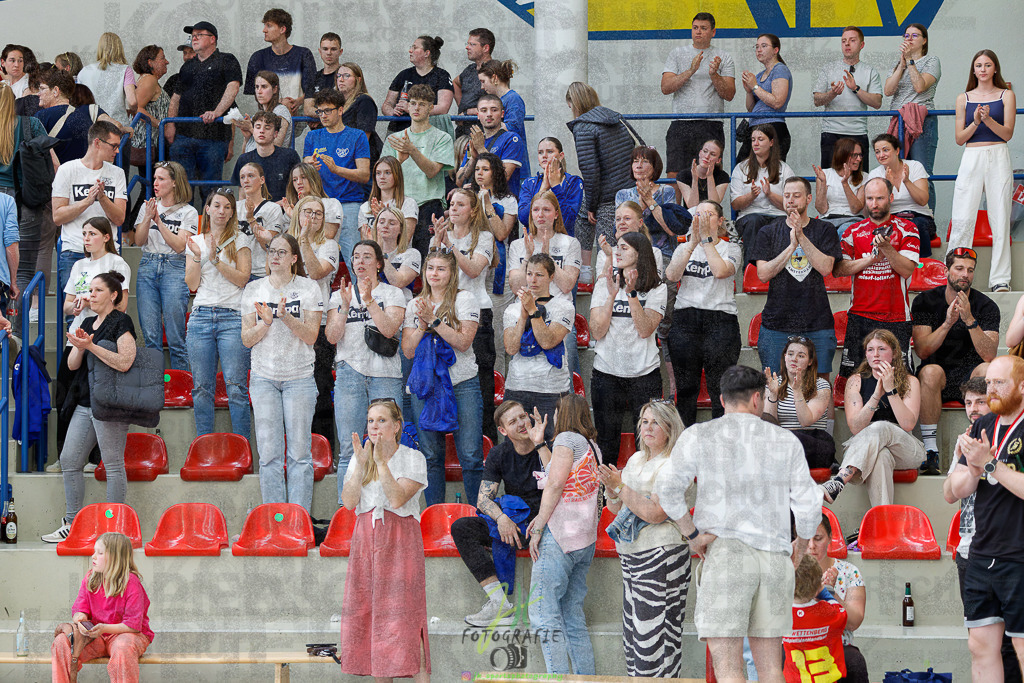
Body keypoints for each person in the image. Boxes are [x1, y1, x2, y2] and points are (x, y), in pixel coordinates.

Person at [655, 364, 823, 683]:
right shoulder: (785, 441)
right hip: (775, 556)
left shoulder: (700, 435)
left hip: (727, 553)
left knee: (729, 668)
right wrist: (800, 548)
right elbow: (809, 503)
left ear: (721, 399)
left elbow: (667, 489)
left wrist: (691, 534)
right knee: (772, 668)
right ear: (758, 399)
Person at [339, 398, 430, 683]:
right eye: (370, 421)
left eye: (381, 420)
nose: (374, 426)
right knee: (373, 614)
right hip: (366, 537)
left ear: (396, 426)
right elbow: (349, 502)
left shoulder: (414, 458)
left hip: (401, 537)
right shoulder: (360, 456)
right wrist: (362, 466)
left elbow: (397, 498)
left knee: (407, 616)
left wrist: (380, 463)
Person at [596, 400, 689, 678]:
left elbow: (656, 513)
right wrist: (611, 489)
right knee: (634, 638)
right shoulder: (636, 459)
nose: (648, 428)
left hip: (662, 555)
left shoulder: (674, 465)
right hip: (632, 555)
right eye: (644, 421)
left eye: (655, 422)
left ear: (670, 428)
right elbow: (615, 508)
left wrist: (621, 487)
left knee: (657, 642)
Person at [42, 272, 137, 543]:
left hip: (110, 403)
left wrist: (92, 346)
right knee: (71, 460)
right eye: (90, 290)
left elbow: (125, 361)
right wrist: (81, 347)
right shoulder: (86, 321)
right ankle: (72, 523)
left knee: (113, 465)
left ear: (113, 295)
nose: (90, 295)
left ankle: (115, 529)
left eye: (97, 290)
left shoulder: (122, 321)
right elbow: (72, 365)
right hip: (85, 401)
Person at [949, 355, 1024, 683]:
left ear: (1022, 386)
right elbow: (956, 489)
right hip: (983, 551)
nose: (991, 389)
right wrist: (974, 468)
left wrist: (991, 465)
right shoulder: (982, 425)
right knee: (980, 645)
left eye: (1000, 382)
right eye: (988, 382)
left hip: (1020, 554)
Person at [242, 233, 323, 512]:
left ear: (293, 258)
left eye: (281, 252)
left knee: (300, 453)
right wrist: (265, 324)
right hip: (263, 377)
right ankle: (275, 520)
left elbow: (312, 336)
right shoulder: (253, 290)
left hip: (299, 377)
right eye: (271, 251)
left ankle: (298, 520)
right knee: (268, 454)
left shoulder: (310, 288)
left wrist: (286, 317)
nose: (274, 256)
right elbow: (246, 339)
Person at [453, 400, 547, 627]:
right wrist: (502, 518)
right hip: (515, 522)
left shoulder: (547, 446)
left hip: (546, 522)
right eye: (513, 422)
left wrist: (541, 444)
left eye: (523, 417)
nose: (522, 424)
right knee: (462, 527)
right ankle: (498, 601)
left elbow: (559, 487)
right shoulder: (499, 454)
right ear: (503, 431)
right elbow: (483, 499)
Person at [526, 393, 600, 675]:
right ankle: (586, 679)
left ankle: (557, 678)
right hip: (584, 539)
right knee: (572, 616)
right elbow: (559, 473)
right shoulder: (590, 446)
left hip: (560, 537)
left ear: (564, 414)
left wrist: (539, 525)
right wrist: (540, 444)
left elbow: (555, 484)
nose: (554, 418)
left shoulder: (566, 439)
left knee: (543, 614)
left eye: (556, 413)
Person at [402, 248, 482, 506]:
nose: (434, 273)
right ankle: (434, 517)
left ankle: (477, 518)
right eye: (430, 268)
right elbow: (408, 349)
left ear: (452, 273)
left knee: (470, 454)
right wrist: (422, 326)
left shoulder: (465, 299)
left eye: (441, 268)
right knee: (430, 455)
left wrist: (434, 321)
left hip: (462, 383)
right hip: (426, 387)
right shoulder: (415, 303)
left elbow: (463, 342)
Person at [327, 238, 406, 491]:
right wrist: (345, 306)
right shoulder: (339, 295)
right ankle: (346, 514)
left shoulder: (393, 294)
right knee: (349, 448)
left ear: (379, 264)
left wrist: (370, 300)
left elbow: (389, 329)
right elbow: (331, 337)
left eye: (367, 257)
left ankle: (388, 508)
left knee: (387, 447)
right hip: (349, 372)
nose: (360, 261)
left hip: (385, 375)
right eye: (356, 256)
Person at [912, 248, 999, 473]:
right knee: (930, 371)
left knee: (989, 369)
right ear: (946, 270)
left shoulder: (986, 306)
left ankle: (983, 440)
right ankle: (931, 451)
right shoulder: (926, 301)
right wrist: (948, 323)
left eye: (970, 270)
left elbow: (989, 354)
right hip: (937, 376)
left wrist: (969, 319)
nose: (965, 275)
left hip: (971, 376)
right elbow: (922, 350)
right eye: (959, 268)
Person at [820, 330, 923, 507]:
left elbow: (907, 424)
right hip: (867, 450)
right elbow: (855, 428)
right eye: (870, 349)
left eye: (881, 349)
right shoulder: (855, 381)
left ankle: (840, 479)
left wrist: (890, 390)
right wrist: (876, 395)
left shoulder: (910, 381)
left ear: (895, 353)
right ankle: (883, 522)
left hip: (905, 449)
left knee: (881, 426)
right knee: (881, 456)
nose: (875, 354)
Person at [751, 177, 840, 376]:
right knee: (774, 384)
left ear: (809, 198)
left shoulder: (825, 229)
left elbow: (826, 268)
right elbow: (763, 274)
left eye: (796, 196)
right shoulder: (768, 231)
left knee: (821, 385)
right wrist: (791, 247)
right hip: (776, 324)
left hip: (817, 322)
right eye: (787, 196)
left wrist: (801, 236)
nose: (790, 200)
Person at [590, 232, 666, 465]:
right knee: (606, 442)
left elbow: (645, 330)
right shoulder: (605, 284)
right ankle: (605, 498)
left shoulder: (657, 288)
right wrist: (612, 296)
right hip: (606, 372)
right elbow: (596, 331)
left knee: (647, 443)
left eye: (624, 248)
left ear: (639, 253)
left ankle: (643, 498)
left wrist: (632, 295)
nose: (617, 252)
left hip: (644, 374)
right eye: (617, 248)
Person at [835, 176, 920, 378]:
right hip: (860, 316)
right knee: (854, 378)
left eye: (880, 198)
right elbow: (839, 270)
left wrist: (887, 249)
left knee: (901, 380)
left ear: (891, 197)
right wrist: (872, 260)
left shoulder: (908, 228)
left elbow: (907, 269)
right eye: (870, 198)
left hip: (896, 316)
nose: (874, 204)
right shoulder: (852, 231)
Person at [185, 189, 252, 439]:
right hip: (201, 317)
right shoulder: (196, 241)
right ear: (208, 209)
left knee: (236, 388)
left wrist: (214, 260)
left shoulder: (241, 240)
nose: (221, 211)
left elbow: (243, 279)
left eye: (227, 207)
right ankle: (203, 445)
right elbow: (191, 284)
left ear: (233, 212)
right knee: (201, 388)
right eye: (217, 206)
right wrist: (196, 256)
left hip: (232, 318)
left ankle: (242, 447)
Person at [666, 201, 740, 425]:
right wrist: (692, 244)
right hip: (686, 319)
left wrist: (707, 241)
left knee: (721, 389)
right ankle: (684, 443)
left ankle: (721, 444)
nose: (701, 219)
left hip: (721, 319)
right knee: (686, 388)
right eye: (697, 215)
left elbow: (720, 271)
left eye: (707, 215)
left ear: (719, 222)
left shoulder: (732, 248)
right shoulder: (684, 248)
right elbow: (672, 275)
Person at [431, 189, 497, 440]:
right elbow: (432, 277)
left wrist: (450, 247)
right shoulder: (440, 237)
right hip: (444, 314)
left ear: (473, 210)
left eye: (461, 204)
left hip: (477, 313)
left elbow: (471, 270)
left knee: (481, 381)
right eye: (452, 204)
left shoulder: (484, 237)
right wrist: (438, 244)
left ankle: (485, 442)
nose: (454, 208)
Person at [949, 49, 1016, 293]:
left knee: (1000, 218)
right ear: (973, 69)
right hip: (972, 155)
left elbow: (1007, 133)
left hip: (998, 154)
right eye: (979, 65)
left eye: (988, 65)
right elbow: (959, 138)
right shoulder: (963, 98)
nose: (983, 69)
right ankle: (956, 275)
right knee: (963, 217)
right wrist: (976, 121)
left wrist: (988, 120)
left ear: (995, 68)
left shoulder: (1006, 95)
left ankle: (1000, 279)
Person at [49, 532, 154, 682]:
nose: (93, 556)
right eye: (94, 552)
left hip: (127, 635)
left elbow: (133, 626)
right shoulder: (90, 578)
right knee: (61, 641)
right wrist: (80, 620)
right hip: (96, 636)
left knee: (123, 646)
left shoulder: (131, 583)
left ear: (115, 558)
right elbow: (80, 609)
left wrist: (104, 628)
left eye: (99, 553)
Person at [51, 121, 128, 312]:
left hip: (107, 253)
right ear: (97, 143)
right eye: (114, 146)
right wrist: (87, 201)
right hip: (74, 252)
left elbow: (119, 219)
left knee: (110, 311)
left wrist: (102, 198)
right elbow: (57, 216)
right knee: (75, 312)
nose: (117, 151)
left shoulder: (117, 173)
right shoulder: (67, 170)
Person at [565, 81, 634, 285]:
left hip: (607, 194)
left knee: (606, 244)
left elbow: (590, 171)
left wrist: (592, 206)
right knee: (584, 219)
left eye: (570, 105)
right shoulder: (615, 120)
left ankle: (599, 281)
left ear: (575, 104)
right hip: (627, 189)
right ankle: (587, 272)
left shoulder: (584, 127)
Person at [166, 22, 242, 200]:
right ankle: (186, 226)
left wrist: (216, 112)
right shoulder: (187, 66)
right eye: (193, 35)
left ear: (212, 39)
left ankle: (212, 226)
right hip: (184, 136)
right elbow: (176, 97)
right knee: (182, 188)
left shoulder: (227, 60)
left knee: (211, 189)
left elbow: (233, 88)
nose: (194, 37)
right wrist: (170, 124)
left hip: (213, 138)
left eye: (199, 34)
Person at [507, 192, 582, 372]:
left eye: (546, 210)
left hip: (558, 316)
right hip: (524, 315)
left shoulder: (570, 243)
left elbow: (567, 285)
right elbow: (516, 287)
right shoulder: (519, 245)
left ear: (556, 214)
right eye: (536, 210)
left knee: (564, 374)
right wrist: (527, 255)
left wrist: (548, 257)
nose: (540, 215)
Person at [132, 162, 196, 371]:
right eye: (155, 178)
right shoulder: (147, 206)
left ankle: (183, 387)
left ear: (175, 182)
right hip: (148, 265)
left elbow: (180, 246)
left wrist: (159, 222)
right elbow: (139, 240)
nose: (155, 183)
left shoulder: (189, 212)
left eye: (161, 179)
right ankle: (154, 386)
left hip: (175, 268)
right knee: (151, 335)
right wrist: (148, 218)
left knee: (176, 335)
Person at [288, 195, 340, 446]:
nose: (312, 216)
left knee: (320, 388)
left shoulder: (329, 245)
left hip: (318, 326)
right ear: (298, 214)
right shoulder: (284, 243)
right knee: (293, 389)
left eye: (318, 213)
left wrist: (305, 241)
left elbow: (317, 271)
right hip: (288, 324)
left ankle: (324, 449)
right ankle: (296, 446)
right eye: (307, 211)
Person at [503, 253, 573, 435]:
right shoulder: (512, 309)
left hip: (551, 389)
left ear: (551, 277)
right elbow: (511, 348)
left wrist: (533, 310)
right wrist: (523, 316)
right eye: (529, 274)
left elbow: (547, 341)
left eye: (539, 275)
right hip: (517, 386)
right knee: (517, 447)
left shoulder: (564, 307)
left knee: (550, 445)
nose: (533, 280)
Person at [382, 84, 455, 257]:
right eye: (413, 103)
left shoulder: (442, 137)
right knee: (395, 257)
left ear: (431, 108)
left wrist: (412, 150)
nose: (416, 108)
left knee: (428, 259)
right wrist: (399, 160)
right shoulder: (394, 138)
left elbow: (432, 172)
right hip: (399, 204)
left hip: (429, 205)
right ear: (407, 106)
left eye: (422, 104)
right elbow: (384, 177)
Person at [660, 12, 735, 175]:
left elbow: (729, 94)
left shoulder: (723, 56)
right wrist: (691, 70)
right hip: (681, 123)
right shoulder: (677, 53)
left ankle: (706, 203)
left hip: (711, 123)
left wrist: (714, 74)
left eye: (703, 28)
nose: (698, 32)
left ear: (713, 32)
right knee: (675, 175)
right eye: (695, 28)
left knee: (709, 175)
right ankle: (675, 203)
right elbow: (665, 87)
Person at [303, 88, 371, 270]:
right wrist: (309, 166)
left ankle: (361, 297)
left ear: (340, 110)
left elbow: (365, 174)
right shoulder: (312, 136)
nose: (323, 115)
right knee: (316, 257)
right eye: (319, 111)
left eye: (327, 110)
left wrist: (336, 169)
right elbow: (304, 170)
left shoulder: (357, 136)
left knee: (356, 261)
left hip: (349, 204)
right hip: (320, 205)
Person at [883, 23, 940, 208]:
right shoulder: (897, 63)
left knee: (922, 172)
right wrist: (902, 65)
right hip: (899, 121)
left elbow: (920, 86)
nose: (909, 39)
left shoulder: (932, 61)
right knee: (894, 170)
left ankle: (927, 220)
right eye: (906, 36)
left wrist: (911, 62)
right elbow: (888, 91)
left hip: (922, 122)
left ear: (924, 40)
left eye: (914, 36)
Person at [812, 27, 882, 168]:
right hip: (831, 133)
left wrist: (855, 89)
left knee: (859, 180)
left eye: (852, 40)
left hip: (858, 133)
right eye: (844, 41)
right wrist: (832, 93)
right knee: (829, 180)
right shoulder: (828, 69)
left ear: (861, 45)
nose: (847, 44)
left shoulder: (870, 71)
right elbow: (817, 101)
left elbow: (877, 102)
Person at [763, 338, 835, 468]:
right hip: (783, 445)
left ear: (810, 361)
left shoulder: (821, 385)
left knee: (786, 441)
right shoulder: (774, 383)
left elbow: (805, 421)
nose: (794, 359)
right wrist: (773, 394)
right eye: (790, 354)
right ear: (785, 357)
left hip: (814, 442)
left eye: (801, 356)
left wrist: (797, 391)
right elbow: (769, 425)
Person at [862, 133, 935, 257]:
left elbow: (923, 200)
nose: (881, 155)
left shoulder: (915, 166)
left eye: (885, 150)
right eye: (877, 152)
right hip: (891, 218)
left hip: (919, 217)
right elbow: (874, 209)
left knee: (915, 226)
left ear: (897, 150)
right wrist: (888, 185)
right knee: (886, 229)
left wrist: (906, 181)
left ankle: (921, 266)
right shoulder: (875, 173)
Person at [730, 123, 794, 260]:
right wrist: (751, 196)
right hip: (749, 217)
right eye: (753, 140)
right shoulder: (741, 168)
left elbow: (791, 206)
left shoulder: (784, 169)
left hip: (778, 216)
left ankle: (780, 272)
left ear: (771, 142)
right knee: (755, 221)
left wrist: (770, 195)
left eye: (760, 139)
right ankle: (751, 272)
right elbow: (735, 204)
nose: (755, 143)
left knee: (783, 223)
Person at [783, 555, 850, 683]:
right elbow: (842, 612)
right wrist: (824, 590)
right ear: (817, 588)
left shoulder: (781, 615)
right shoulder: (827, 612)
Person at [0, 82, 39, 300]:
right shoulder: (30, 125)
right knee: (24, 268)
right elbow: (49, 160)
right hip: (25, 199)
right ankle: (17, 328)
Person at [63, 217, 131, 335]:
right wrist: (78, 304)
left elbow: (121, 306)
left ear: (106, 237)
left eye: (92, 234)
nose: (86, 238)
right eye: (84, 234)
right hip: (78, 331)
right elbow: (67, 306)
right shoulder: (78, 265)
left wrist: (88, 304)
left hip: (106, 331)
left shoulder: (116, 262)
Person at [244, 8, 316, 117]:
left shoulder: (304, 54)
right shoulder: (257, 57)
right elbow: (256, 93)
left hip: (300, 118)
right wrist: (278, 104)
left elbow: (312, 89)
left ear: (282, 29)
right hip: (269, 119)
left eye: (269, 25)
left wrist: (298, 101)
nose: (264, 30)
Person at [382, 35, 454, 139]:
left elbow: (443, 108)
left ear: (427, 53)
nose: (410, 51)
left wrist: (411, 108)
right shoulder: (403, 74)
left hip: (426, 133)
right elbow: (387, 104)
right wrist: (392, 112)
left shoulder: (442, 75)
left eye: (415, 48)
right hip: (398, 130)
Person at [454, 94, 527, 195]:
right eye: (484, 110)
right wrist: (473, 159)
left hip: (502, 204)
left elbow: (504, 176)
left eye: (494, 110)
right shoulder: (475, 141)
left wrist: (481, 149)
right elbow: (459, 180)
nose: (489, 114)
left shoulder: (512, 139)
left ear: (502, 114)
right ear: (478, 115)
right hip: (477, 205)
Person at [739, 34, 792, 161]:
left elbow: (778, 102)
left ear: (776, 50)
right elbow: (751, 109)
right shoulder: (759, 75)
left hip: (772, 126)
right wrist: (748, 91)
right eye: (756, 47)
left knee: (770, 171)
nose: (759, 50)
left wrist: (755, 87)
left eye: (763, 46)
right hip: (755, 126)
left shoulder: (780, 69)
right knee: (741, 166)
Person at [614, 147, 678, 252]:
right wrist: (641, 209)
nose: (639, 165)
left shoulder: (666, 192)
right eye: (635, 161)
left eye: (645, 161)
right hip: (631, 251)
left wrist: (649, 201)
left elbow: (671, 230)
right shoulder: (623, 194)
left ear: (654, 167)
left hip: (662, 252)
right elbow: (617, 233)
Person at [517, 137, 584, 237]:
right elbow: (523, 218)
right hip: (533, 241)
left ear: (561, 156)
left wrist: (556, 187)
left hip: (562, 243)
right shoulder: (529, 183)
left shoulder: (573, 182)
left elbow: (567, 221)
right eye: (540, 152)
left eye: (550, 151)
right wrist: (543, 189)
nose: (544, 156)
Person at [229, 111, 300, 201]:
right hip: (254, 212)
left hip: (284, 211)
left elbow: (298, 189)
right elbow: (242, 195)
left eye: (267, 128)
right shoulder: (244, 159)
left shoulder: (290, 156)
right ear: (253, 131)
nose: (262, 131)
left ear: (275, 134)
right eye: (258, 127)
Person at [236, 161, 288, 279]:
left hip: (260, 273)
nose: (246, 180)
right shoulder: (234, 207)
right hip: (237, 271)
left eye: (251, 176)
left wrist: (251, 219)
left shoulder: (273, 209)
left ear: (262, 180)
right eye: (242, 177)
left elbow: (269, 246)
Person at [477, 59, 529, 177]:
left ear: (495, 78)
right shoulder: (501, 99)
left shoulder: (513, 98)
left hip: (514, 167)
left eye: (483, 81)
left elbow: (513, 127)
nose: (482, 86)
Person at [77, 33, 137, 129]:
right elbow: (132, 102)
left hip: (92, 125)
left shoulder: (85, 71)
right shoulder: (125, 70)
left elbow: (78, 101)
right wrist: (134, 110)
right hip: (117, 125)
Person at [812, 137, 866, 236]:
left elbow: (856, 209)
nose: (859, 159)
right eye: (854, 155)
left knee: (844, 230)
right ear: (842, 155)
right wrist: (823, 183)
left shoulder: (864, 177)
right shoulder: (825, 174)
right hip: (828, 219)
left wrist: (845, 183)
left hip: (852, 219)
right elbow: (821, 209)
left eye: (860, 155)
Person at [596, 202, 664, 279]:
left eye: (627, 218)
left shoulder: (654, 252)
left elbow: (653, 284)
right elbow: (601, 287)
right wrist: (609, 257)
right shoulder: (604, 253)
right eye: (618, 219)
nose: (621, 222)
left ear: (640, 222)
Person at [130, 46, 170, 171]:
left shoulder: (147, 79)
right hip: (152, 144)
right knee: (152, 185)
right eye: (162, 58)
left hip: (152, 143)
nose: (167, 61)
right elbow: (136, 108)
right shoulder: (149, 80)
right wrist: (159, 124)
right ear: (150, 62)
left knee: (151, 184)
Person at [280, 162, 343, 238]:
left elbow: (328, 234)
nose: (299, 182)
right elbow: (289, 241)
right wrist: (295, 217)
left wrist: (299, 217)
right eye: (295, 180)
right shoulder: (291, 209)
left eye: (303, 177)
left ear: (314, 179)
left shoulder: (331, 203)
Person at [336, 62, 382, 164]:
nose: (341, 79)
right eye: (338, 76)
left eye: (346, 76)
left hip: (362, 160)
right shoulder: (337, 104)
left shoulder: (364, 101)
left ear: (358, 80)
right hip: (343, 156)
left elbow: (363, 137)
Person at [359, 156, 418, 235]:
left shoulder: (408, 203)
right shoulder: (365, 207)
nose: (382, 177)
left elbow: (405, 240)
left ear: (397, 175)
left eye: (387, 172)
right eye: (378, 173)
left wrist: (385, 216)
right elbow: (365, 242)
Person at [235, 70, 291, 151]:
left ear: (275, 89)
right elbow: (245, 154)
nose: (259, 91)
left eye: (264, 87)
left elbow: (276, 145)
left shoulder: (281, 111)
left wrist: (251, 128)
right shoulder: (257, 116)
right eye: (257, 87)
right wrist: (247, 137)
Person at [469, 151, 517, 245]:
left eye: (485, 169)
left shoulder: (509, 200)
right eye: (477, 169)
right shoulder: (468, 196)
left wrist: (487, 204)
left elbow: (501, 235)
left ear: (496, 173)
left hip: (498, 252)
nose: (479, 173)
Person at [454, 28, 494, 139]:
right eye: (467, 44)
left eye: (472, 44)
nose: (467, 47)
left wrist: (470, 112)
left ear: (485, 48)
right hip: (463, 131)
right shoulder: (469, 70)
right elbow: (455, 83)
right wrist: (462, 107)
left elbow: (500, 104)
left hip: (484, 133)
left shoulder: (495, 70)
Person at [677, 138, 729, 209]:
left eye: (712, 154)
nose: (707, 156)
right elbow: (692, 207)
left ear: (718, 160)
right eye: (705, 151)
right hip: (691, 217)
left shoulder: (723, 176)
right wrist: (695, 180)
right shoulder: (683, 175)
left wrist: (710, 176)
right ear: (700, 153)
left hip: (712, 216)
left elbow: (714, 206)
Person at [303, 32, 343, 125]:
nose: (329, 53)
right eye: (325, 49)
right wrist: (328, 116)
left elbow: (347, 108)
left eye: (333, 49)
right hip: (320, 133)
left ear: (340, 52)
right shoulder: (314, 78)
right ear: (320, 52)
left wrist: (319, 116)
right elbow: (308, 109)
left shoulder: (346, 76)